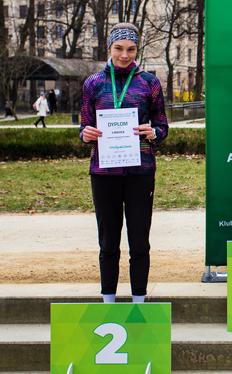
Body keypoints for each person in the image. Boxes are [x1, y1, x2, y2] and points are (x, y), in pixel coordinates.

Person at [79, 22, 168, 303]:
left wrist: (154, 132)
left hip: (140, 171)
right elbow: (84, 126)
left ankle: (139, 301)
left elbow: (163, 126)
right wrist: (85, 134)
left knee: (139, 240)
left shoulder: (149, 83)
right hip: (103, 171)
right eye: (119, 49)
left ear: (137, 49)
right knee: (108, 241)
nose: (125, 55)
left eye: (131, 49)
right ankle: (108, 300)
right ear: (110, 48)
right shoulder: (93, 83)